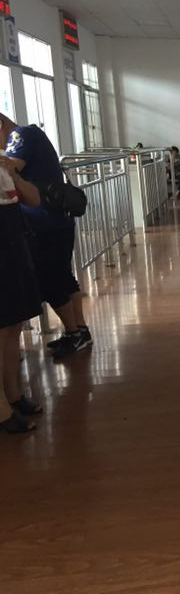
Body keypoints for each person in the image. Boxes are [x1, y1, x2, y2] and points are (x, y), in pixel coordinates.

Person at [0, 113, 92, 359]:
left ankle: (74, 332)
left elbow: (9, 169)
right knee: (61, 275)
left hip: (44, 222)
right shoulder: (29, 135)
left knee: (50, 278)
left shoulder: (21, 135)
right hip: (54, 220)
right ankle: (80, 331)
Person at [0, 164, 44, 433]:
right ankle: (2, 409)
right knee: (2, 325)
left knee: (13, 323)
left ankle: (13, 394)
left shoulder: (5, 166)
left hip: (12, 238)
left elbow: (34, 199)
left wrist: (14, 174)